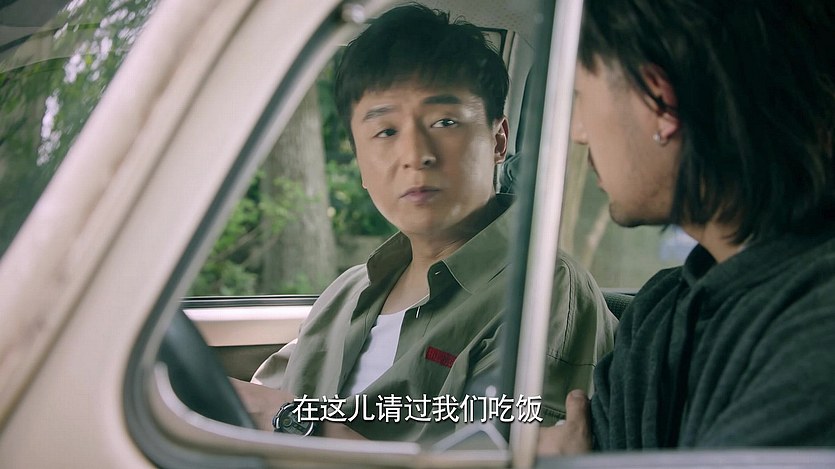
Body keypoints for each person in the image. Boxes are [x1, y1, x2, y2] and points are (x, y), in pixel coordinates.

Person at [232, 4, 617, 443]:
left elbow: (505, 458)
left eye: (445, 122)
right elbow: (248, 407)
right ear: (359, 162)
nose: (416, 155)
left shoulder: (543, 291)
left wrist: (294, 421)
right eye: (386, 132)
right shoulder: (344, 295)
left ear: (498, 140)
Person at [539, 0, 835, 454]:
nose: (578, 132)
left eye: (579, 94)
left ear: (661, 101)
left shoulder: (816, 332)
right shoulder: (657, 313)